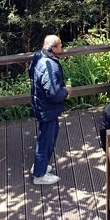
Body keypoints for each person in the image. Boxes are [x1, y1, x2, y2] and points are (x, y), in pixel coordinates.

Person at [29, 34, 70, 185]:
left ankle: (40, 166)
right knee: (46, 140)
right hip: (47, 110)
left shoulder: (38, 56)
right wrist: (66, 92)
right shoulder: (49, 66)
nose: (62, 48)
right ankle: (39, 175)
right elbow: (53, 93)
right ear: (53, 48)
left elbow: (30, 74)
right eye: (60, 45)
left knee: (47, 138)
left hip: (40, 105)